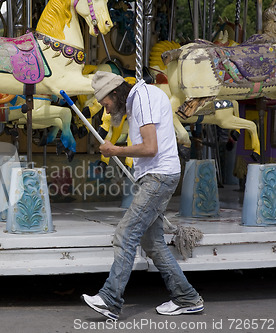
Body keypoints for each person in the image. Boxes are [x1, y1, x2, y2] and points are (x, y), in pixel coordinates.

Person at [81, 72, 204, 321]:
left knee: (125, 235)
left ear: (115, 94)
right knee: (153, 243)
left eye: (105, 104)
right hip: (156, 175)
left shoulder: (143, 98)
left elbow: (150, 148)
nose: (106, 110)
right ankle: (187, 298)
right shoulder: (140, 98)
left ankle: (110, 300)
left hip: (159, 177)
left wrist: (116, 149)